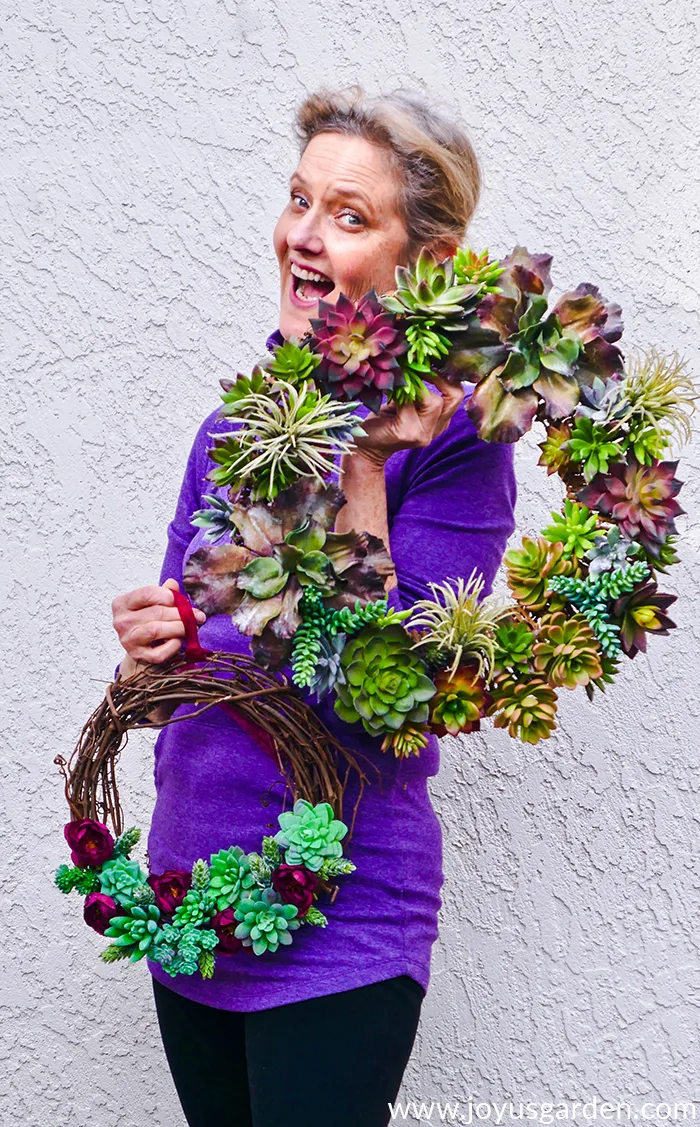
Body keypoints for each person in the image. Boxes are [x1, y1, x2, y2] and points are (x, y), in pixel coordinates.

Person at [111, 85, 517, 1127]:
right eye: (300, 199)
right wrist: (145, 660)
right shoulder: (232, 428)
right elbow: (178, 680)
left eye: (348, 214)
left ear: (422, 261)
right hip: (195, 898)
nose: (301, 233)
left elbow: (398, 700)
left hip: (338, 915)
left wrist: (370, 466)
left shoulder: (455, 444)